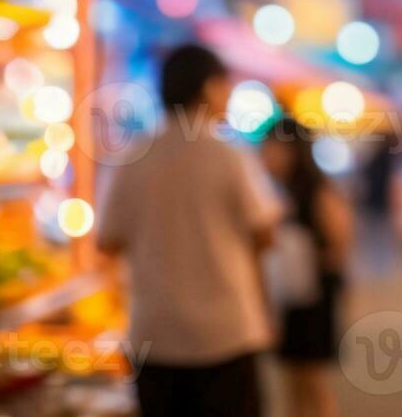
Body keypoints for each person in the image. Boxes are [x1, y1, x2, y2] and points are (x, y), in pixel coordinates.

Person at [97, 45, 279, 417]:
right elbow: (264, 233)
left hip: (155, 334)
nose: (229, 96)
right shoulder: (229, 155)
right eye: (226, 86)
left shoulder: (133, 156)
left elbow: (108, 240)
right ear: (209, 88)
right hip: (227, 333)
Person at [261, 118, 354, 417]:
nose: (265, 156)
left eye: (271, 148)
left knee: (313, 380)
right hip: (288, 297)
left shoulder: (317, 190)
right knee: (292, 379)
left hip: (314, 298)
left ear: (293, 150)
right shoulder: (277, 191)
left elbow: (340, 244)